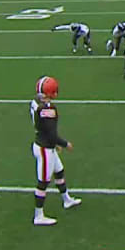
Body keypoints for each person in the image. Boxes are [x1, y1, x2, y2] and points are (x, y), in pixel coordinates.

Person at [30, 76, 82, 226]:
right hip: (45, 148)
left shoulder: (36, 102)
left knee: (59, 171)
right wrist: (65, 144)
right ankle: (38, 215)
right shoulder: (48, 109)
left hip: (44, 143)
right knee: (44, 182)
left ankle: (66, 200)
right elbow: (51, 133)